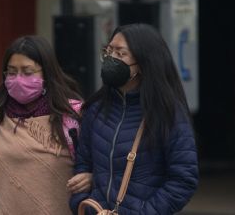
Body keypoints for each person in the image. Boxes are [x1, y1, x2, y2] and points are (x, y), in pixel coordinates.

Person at [0, 35, 92, 214]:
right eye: (11, 72)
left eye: (27, 72)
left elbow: (102, 167)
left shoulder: (72, 116)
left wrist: (91, 178)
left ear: (47, 73)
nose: (19, 79)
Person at [70, 23, 199, 214]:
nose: (111, 58)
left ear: (144, 63)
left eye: (120, 54)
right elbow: (83, 163)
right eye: (109, 51)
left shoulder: (167, 113)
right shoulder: (96, 109)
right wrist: (82, 202)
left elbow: (183, 179)